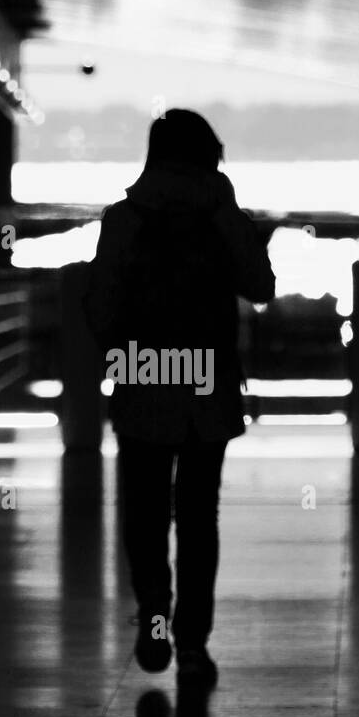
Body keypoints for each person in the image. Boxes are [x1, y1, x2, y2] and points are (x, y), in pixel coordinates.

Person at [84, 110, 275, 687]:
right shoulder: (220, 215)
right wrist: (231, 217)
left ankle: (154, 619)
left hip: (143, 381)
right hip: (208, 387)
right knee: (198, 516)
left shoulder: (124, 218)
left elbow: (100, 305)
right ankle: (193, 642)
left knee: (144, 513)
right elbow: (260, 287)